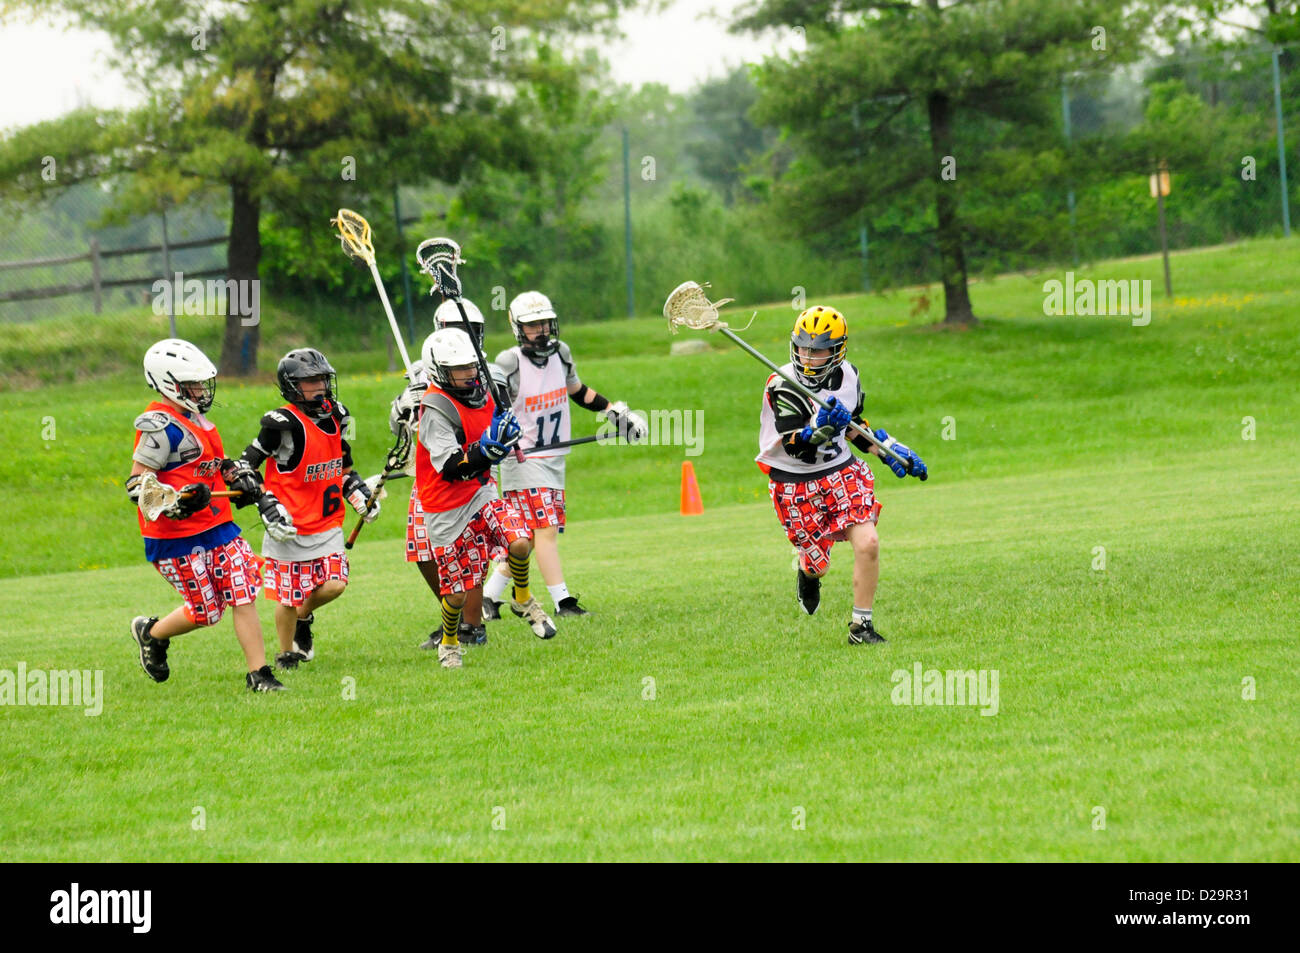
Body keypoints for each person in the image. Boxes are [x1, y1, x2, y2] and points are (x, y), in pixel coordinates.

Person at [126, 338, 292, 691]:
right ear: (171, 384)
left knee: (243, 591)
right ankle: (152, 634)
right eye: (194, 384)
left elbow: (214, 464)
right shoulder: (158, 425)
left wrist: (238, 475)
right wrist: (176, 501)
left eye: (202, 383)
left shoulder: (198, 420)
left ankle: (259, 674)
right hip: (176, 538)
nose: (202, 390)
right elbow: (136, 486)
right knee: (207, 611)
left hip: (218, 527)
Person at [755, 307, 927, 645]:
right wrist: (819, 429)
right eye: (803, 347)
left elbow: (853, 426)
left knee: (869, 542)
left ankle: (861, 628)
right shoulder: (783, 384)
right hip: (795, 480)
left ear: (837, 351)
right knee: (819, 565)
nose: (808, 356)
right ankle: (808, 573)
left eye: (817, 350)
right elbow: (795, 446)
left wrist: (889, 450)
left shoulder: (849, 376)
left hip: (839, 471)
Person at [481, 290, 647, 619]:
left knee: (524, 539)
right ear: (518, 328)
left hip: (554, 458)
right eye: (532, 325)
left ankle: (489, 597)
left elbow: (577, 391)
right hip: (524, 459)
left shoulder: (562, 354)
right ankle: (563, 602)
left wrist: (614, 411)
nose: (541, 330)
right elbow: (491, 408)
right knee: (545, 531)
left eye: (544, 322)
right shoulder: (509, 362)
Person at [413, 327, 557, 669]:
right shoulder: (434, 408)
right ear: (439, 372)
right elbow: (450, 467)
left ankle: (522, 598)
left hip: (481, 492)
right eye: (458, 369)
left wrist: (507, 433)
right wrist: (484, 451)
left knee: (520, 541)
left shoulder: (484, 390)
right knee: (457, 593)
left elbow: (497, 427)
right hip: (445, 507)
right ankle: (449, 643)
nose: (468, 374)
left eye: (470, 366)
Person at [236, 348, 377, 669]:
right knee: (286, 597)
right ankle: (286, 653)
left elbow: (343, 466)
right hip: (288, 526)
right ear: (291, 386)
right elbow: (246, 466)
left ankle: (303, 618)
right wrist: (263, 502)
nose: (320, 388)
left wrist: (356, 492)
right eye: (310, 382)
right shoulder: (280, 424)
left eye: (322, 380)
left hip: (327, 524)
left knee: (335, 584)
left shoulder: (338, 415)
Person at [390, 296, 496, 647]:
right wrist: (407, 407)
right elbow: (400, 427)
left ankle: (471, 627)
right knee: (422, 553)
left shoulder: (482, 372)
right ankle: (453, 616)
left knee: (470, 549)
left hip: (467, 471)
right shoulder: (423, 369)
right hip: (429, 478)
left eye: (469, 330)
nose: (461, 338)